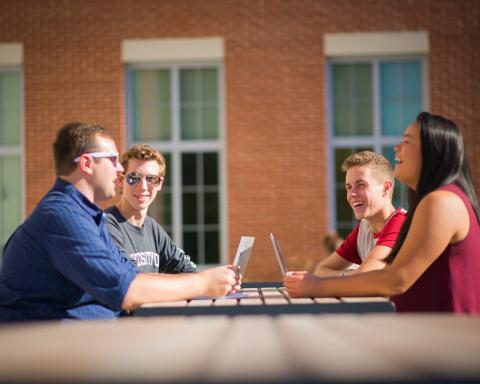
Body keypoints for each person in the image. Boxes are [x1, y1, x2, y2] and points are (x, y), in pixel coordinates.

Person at [0, 122, 240, 322]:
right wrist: (203, 282)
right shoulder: (63, 217)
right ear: (86, 163)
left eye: (152, 179)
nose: (118, 170)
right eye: (113, 160)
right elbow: (126, 291)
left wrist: (206, 281)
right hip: (46, 355)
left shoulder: (84, 215)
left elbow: (129, 276)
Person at [285, 112, 480, 313]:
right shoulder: (439, 201)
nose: (397, 148)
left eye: (407, 141)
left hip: (444, 337)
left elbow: (396, 279)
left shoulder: (442, 202)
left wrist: (316, 286)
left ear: (433, 150)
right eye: (348, 187)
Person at [105, 144, 196, 274]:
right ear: (120, 179)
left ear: (159, 184)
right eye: (134, 178)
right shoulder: (107, 225)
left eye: (151, 179)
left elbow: (187, 270)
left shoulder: (153, 229)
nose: (143, 186)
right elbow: (130, 281)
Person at [314, 151, 407, 277]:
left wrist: (351, 275)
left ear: (385, 188)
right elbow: (320, 271)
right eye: (349, 187)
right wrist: (351, 275)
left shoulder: (401, 223)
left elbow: (365, 276)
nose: (352, 194)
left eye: (361, 185)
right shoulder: (364, 229)